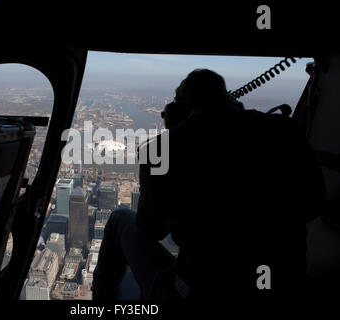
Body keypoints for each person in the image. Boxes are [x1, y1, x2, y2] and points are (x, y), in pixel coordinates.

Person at [92, 69, 326, 303]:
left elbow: (150, 228)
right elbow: (313, 204)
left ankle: (100, 302)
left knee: (119, 219)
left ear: (180, 108)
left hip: (202, 295)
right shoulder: (283, 130)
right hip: (285, 289)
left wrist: (172, 132)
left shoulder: (162, 149)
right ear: (229, 99)